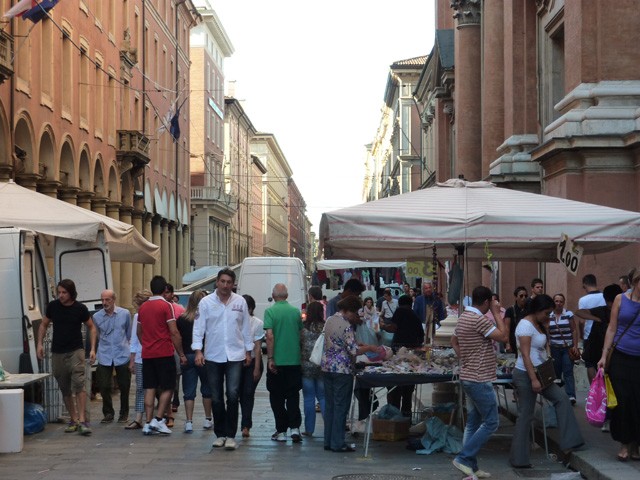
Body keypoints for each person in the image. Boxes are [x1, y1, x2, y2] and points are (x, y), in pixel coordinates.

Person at [510, 294, 584, 468]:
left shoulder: (538, 323)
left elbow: (541, 348)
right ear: (537, 310)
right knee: (525, 415)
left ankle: (570, 442)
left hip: (541, 373)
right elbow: (525, 355)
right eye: (547, 312)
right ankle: (519, 459)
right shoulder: (525, 326)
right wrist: (534, 379)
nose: (549, 316)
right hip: (526, 374)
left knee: (562, 398)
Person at [450, 286, 508, 478]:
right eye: (489, 303)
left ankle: (471, 467)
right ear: (485, 302)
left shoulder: (463, 318)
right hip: (479, 379)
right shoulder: (478, 319)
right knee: (492, 422)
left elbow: (455, 342)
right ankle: (464, 458)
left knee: (473, 422)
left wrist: (467, 358)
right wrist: (497, 312)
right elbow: (503, 336)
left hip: (468, 375)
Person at [193, 267, 253, 450]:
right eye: (223, 281)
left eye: (229, 282)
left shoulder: (240, 302)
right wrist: (198, 351)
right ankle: (220, 434)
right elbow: (199, 328)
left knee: (233, 395)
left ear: (233, 284)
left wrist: (248, 351)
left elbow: (246, 328)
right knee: (216, 396)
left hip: (235, 354)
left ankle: (230, 434)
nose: (226, 285)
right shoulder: (205, 302)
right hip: (213, 354)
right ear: (217, 283)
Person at [36, 279, 96, 436]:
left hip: (76, 350)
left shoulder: (80, 308)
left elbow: (91, 327)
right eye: (59, 292)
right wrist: (39, 344)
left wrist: (93, 348)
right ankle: (74, 419)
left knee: (79, 383)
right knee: (64, 387)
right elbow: (43, 324)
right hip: (58, 351)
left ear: (71, 293)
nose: (61, 295)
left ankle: (83, 420)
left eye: (64, 292)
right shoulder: (53, 307)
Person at [321, 296, 377, 453]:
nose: (356, 317)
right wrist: (370, 348)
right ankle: (338, 443)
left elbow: (337, 341)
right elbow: (353, 350)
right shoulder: (346, 325)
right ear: (348, 311)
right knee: (341, 407)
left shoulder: (330, 320)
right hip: (342, 370)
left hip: (327, 367)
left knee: (331, 405)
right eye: (354, 313)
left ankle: (328, 441)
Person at [597, 267, 640, 462]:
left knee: (638, 403)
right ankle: (624, 443)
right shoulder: (620, 299)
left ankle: (636, 445)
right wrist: (604, 355)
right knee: (623, 401)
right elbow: (612, 328)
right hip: (621, 357)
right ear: (635, 282)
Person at [137, 275, 187, 436]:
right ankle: (159, 420)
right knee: (169, 386)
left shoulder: (143, 307)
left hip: (148, 353)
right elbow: (173, 331)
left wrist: (146, 343)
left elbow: (139, 332)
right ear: (165, 289)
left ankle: (148, 422)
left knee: (149, 387)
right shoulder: (166, 306)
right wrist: (180, 353)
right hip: (164, 352)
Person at [574, 283, 622, 432]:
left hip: (614, 352)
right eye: (609, 302)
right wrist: (595, 319)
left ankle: (611, 417)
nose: (610, 305)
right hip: (597, 349)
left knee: (613, 386)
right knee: (603, 384)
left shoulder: (622, 310)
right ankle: (606, 417)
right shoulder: (601, 311)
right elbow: (579, 312)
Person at [265, 283, 304, 443]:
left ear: (273, 296)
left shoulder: (270, 311)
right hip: (294, 360)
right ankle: (295, 428)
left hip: (278, 362)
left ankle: (281, 431)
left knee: (277, 397)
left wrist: (271, 358)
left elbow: (270, 336)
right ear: (286, 296)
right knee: (293, 395)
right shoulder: (295, 312)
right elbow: (301, 334)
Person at [92, 289, 132, 424]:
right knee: (103, 385)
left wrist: (129, 350)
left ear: (114, 299)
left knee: (124, 385)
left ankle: (124, 413)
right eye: (102, 300)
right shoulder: (97, 317)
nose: (104, 302)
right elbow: (96, 334)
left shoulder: (125, 313)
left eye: (107, 299)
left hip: (122, 353)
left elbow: (128, 333)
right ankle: (108, 412)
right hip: (105, 354)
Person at [176, 290, 213, 433]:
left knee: (188, 391)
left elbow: (178, 338)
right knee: (207, 389)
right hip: (204, 356)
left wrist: (181, 355)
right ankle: (207, 419)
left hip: (187, 356)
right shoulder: (206, 318)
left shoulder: (182, 319)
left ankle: (189, 421)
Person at [382, 294, 424, 416]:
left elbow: (393, 328)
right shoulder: (415, 316)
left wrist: (383, 326)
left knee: (395, 383)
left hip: (398, 352)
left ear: (400, 304)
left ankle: (394, 414)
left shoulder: (400, 311)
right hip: (412, 353)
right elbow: (421, 336)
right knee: (408, 386)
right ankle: (406, 416)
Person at [239, 294, 264, 438]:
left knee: (248, 392)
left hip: (253, 362)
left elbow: (258, 347)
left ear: (250, 308)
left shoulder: (257, 323)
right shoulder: (235, 321)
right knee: (237, 394)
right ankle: (244, 421)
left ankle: (246, 425)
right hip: (237, 361)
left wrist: (256, 368)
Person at [125, 289, 151, 430]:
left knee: (153, 387)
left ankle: (152, 417)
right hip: (141, 356)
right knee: (141, 387)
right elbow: (134, 338)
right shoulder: (137, 316)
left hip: (154, 355)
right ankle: (139, 418)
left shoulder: (155, 313)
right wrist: (132, 359)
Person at [548, 293, 580, 404]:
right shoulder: (549, 315)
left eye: (561, 301)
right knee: (556, 373)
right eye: (556, 301)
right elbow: (547, 333)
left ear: (563, 303)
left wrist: (575, 346)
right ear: (553, 302)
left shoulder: (568, 314)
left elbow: (574, 330)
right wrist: (548, 349)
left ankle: (571, 396)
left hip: (567, 348)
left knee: (568, 371)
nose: (559, 303)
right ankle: (556, 396)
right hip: (554, 348)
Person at [300, 301, 325, 437]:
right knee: (323, 397)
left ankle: (309, 429)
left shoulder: (303, 328)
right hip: (322, 366)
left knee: (308, 398)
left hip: (306, 367)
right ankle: (329, 426)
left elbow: (299, 345)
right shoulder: (325, 327)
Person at [578, 274, 606, 383]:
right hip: (603, 335)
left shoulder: (583, 300)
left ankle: (593, 391)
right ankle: (604, 390)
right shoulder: (604, 297)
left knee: (589, 363)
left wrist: (581, 335)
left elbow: (581, 320)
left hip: (588, 336)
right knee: (602, 363)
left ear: (584, 284)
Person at [163, 283, 184, 418]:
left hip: (175, 345)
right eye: (163, 292)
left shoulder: (179, 309)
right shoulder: (159, 307)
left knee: (176, 374)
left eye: (167, 293)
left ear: (172, 294)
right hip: (163, 346)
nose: (165, 295)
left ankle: (175, 399)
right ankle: (165, 401)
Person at [504, 286, 528, 356]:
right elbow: (507, 328)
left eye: (525, 296)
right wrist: (507, 343)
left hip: (526, 341)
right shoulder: (510, 310)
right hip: (514, 341)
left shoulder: (529, 310)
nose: (524, 298)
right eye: (521, 296)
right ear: (516, 297)